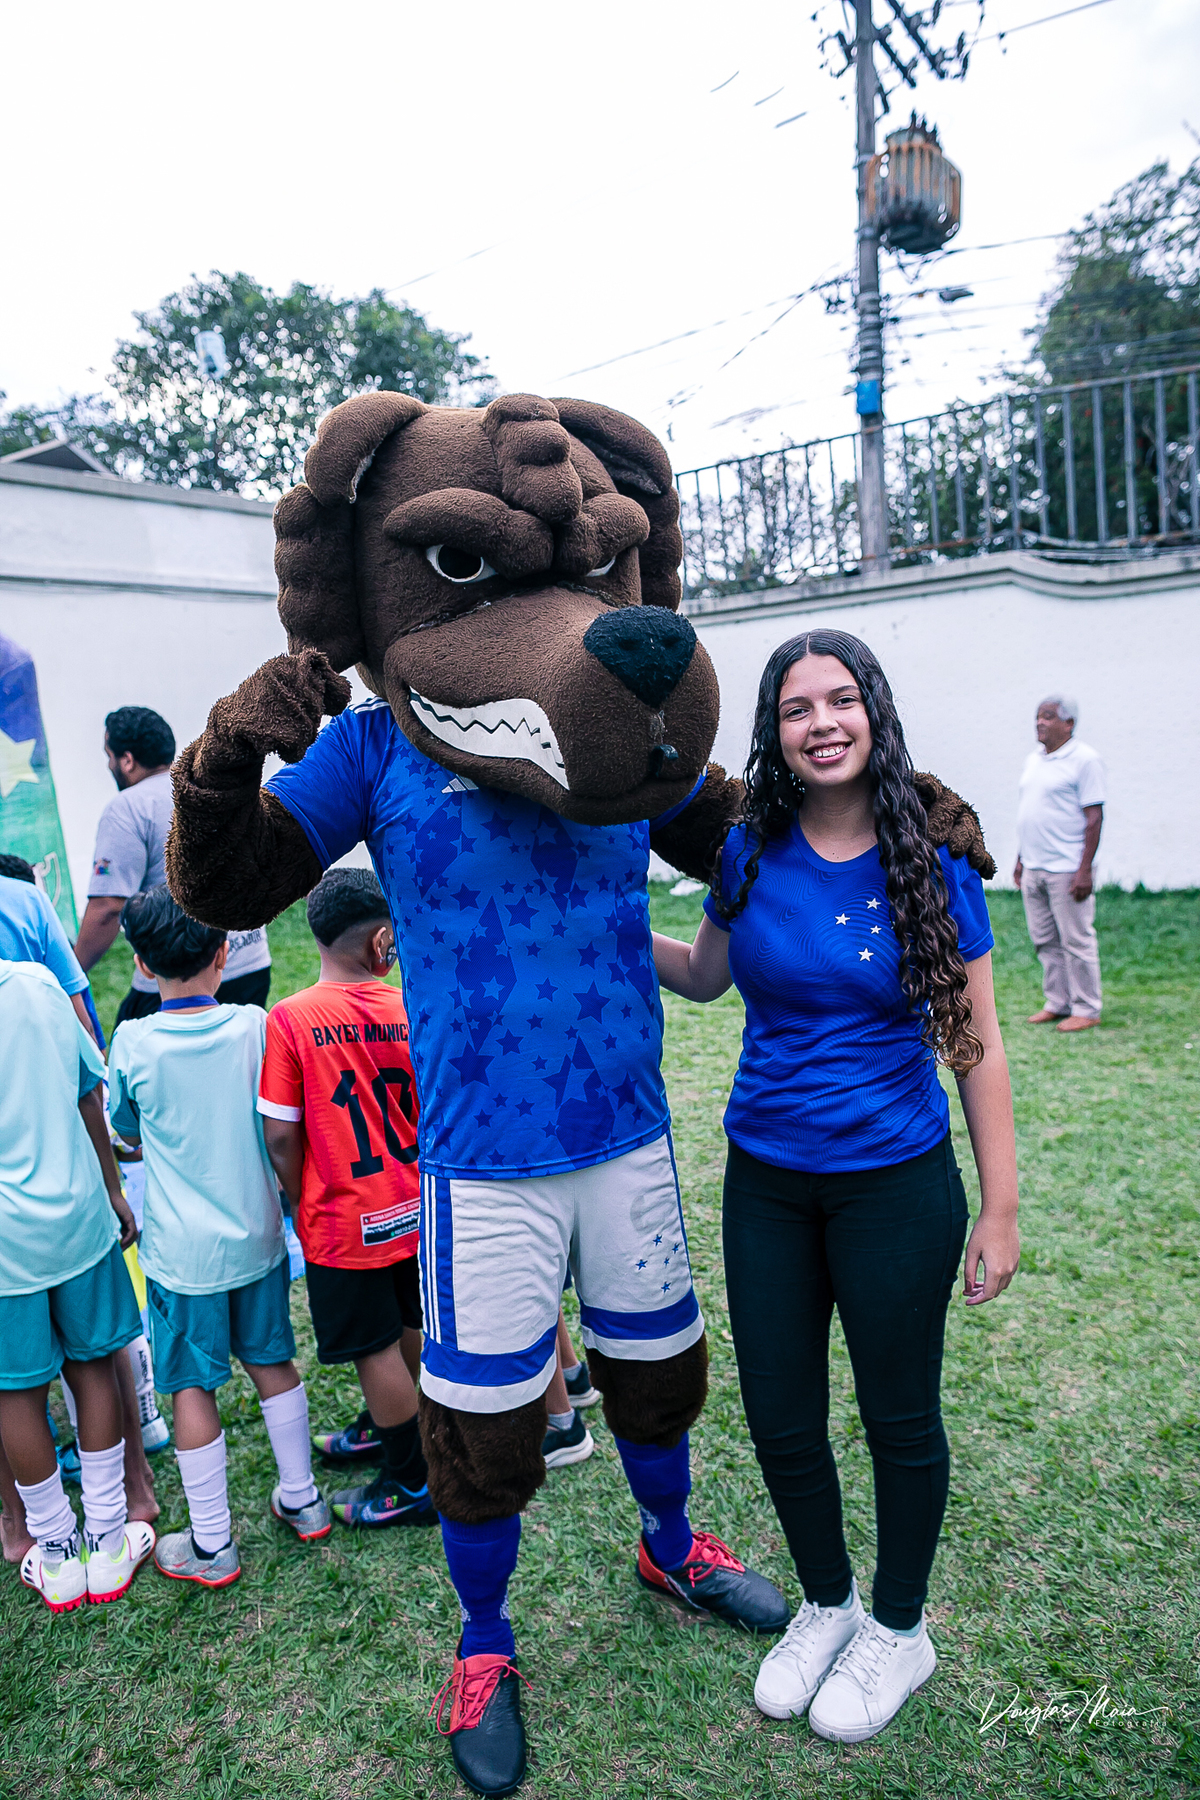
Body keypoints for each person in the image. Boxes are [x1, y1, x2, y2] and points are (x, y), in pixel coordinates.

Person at [653, 629, 1020, 1744]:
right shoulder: (748, 850)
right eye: (797, 708)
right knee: (779, 1413)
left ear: (875, 713)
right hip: (767, 1183)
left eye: (841, 700)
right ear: (774, 733)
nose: (822, 723)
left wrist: (1000, 1206)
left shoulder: (932, 858)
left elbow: (976, 1045)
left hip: (895, 1186)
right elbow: (706, 977)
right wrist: (605, 923)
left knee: (898, 1417)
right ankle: (828, 1605)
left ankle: (900, 1629)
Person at [108, 888, 330, 1588]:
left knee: (191, 1388)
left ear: (143, 964)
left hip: (181, 1261)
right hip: (259, 1240)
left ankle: (212, 1543)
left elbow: (126, 1131)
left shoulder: (132, 1042)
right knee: (273, 1362)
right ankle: (304, 1499)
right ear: (223, 953)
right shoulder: (255, 1025)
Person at [257, 868, 433, 1529]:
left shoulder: (292, 1017)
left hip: (344, 1217)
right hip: (413, 1205)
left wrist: (299, 1197)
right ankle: (394, 1428)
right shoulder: (409, 1004)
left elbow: (280, 1135)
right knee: (407, 1324)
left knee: (373, 1347)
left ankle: (412, 1480)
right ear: (382, 941)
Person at [0, 854, 162, 1558]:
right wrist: (113, 1187)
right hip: (77, 1218)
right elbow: (88, 1095)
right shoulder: (38, 986)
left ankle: (54, 1545)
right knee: (95, 1366)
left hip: (4, 1250)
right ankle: (106, 1529)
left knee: (16, 1393)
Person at [74, 706, 271, 1024]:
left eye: (109, 756)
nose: (109, 765)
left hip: (177, 978)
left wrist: (72, 971)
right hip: (249, 961)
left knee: (135, 1043)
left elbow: (108, 907)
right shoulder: (214, 786)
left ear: (127, 760)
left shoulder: (128, 807)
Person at [1014, 695, 1105, 1034]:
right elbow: (1031, 813)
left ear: (1069, 723)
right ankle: (1058, 1002)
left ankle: (1087, 1008)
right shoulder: (1034, 760)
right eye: (1038, 716)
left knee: (1076, 940)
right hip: (1035, 865)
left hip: (1067, 868)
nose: (1040, 722)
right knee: (1045, 940)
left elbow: (1094, 818)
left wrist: (1084, 870)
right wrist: (1021, 860)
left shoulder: (1085, 760)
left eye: (1049, 716)